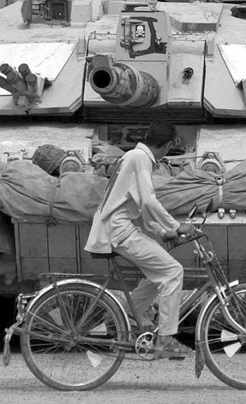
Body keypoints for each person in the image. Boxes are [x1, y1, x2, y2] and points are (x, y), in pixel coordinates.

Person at [85, 125, 193, 358]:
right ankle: (165, 340)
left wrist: (163, 233)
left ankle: (124, 315)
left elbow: (140, 207)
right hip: (120, 229)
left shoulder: (133, 156)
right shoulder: (140, 158)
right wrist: (174, 226)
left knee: (157, 276)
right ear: (167, 145)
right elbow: (148, 202)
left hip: (119, 227)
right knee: (173, 271)